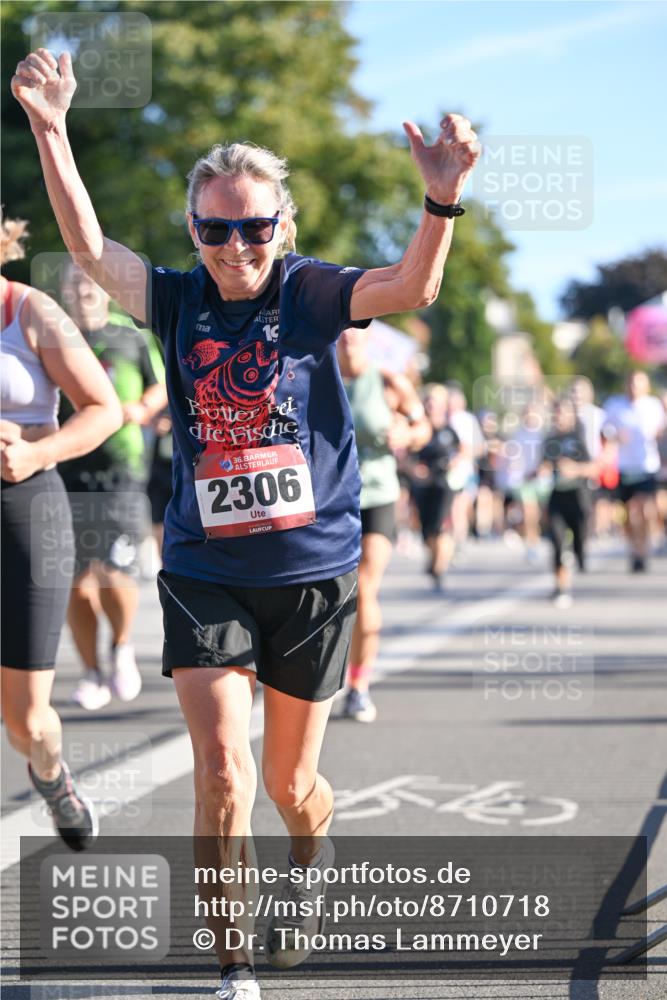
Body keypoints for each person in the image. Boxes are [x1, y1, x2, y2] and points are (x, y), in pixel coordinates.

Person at [12, 46, 479, 1000]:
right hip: (205, 570)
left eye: (257, 226)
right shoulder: (178, 299)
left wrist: (438, 206)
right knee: (222, 775)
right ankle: (233, 964)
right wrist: (51, 128)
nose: (238, 246)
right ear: (194, 228)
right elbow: (95, 251)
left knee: (289, 791)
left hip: (310, 576)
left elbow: (408, 290)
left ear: (284, 225)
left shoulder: (307, 291)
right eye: (218, 229)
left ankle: (308, 866)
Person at [1, 214, 122, 850]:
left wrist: (34, 454)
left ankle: (51, 775)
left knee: (25, 720)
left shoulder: (31, 311)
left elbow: (105, 409)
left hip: (23, 508)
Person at [58, 261, 168, 710]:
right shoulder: (54, 336)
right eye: (73, 284)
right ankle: (90, 671)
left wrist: (142, 408)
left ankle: (121, 646)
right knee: (75, 580)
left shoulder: (132, 336)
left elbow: (161, 386)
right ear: (65, 293)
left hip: (122, 470)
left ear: (103, 290)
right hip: (63, 470)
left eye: (88, 283)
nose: (82, 292)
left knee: (114, 570)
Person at [336, 325, 430, 722]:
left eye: (356, 335)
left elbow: (423, 427)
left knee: (363, 588)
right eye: (341, 335)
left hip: (377, 495)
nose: (349, 340)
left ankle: (358, 685)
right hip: (328, 499)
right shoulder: (313, 374)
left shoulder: (389, 380)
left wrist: (408, 433)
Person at [603, 371, 665, 572]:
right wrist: (615, 436)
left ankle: (644, 547)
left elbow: (662, 431)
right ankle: (633, 548)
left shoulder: (653, 406)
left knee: (645, 509)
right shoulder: (615, 405)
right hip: (624, 466)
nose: (634, 388)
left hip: (647, 465)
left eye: (638, 385)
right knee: (630, 512)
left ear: (645, 387)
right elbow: (604, 430)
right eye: (631, 384)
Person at [540, 397, 597, 608]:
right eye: (556, 413)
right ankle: (561, 587)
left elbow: (594, 467)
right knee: (556, 541)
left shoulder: (579, 438)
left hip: (578, 497)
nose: (559, 417)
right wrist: (541, 471)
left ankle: (580, 556)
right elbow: (542, 465)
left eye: (563, 413)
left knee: (579, 540)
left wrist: (575, 469)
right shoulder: (549, 440)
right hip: (556, 497)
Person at [410, 383, 462, 589]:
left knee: (439, 526)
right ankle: (434, 559)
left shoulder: (449, 430)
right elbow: (405, 456)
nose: (431, 405)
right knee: (426, 529)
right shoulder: (417, 428)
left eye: (435, 401)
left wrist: (455, 462)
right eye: (428, 400)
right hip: (422, 483)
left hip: (444, 483)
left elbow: (462, 451)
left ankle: (440, 567)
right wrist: (413, 468)